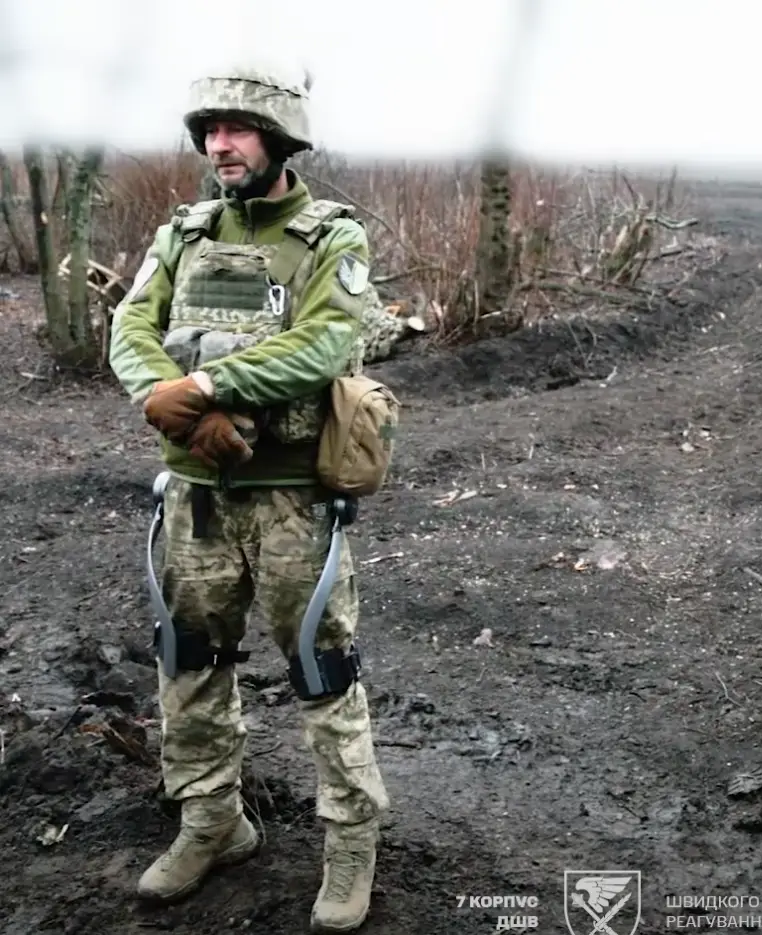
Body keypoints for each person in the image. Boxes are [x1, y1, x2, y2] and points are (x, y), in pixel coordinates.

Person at [108, 63, 390, 933]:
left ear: (279, 138)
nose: (219, 145)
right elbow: (130, 330)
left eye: (238, 129)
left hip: (291, 504)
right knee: (188, 662)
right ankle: (211, 820)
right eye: (209, 131)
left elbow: (321, 345)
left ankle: (350, 840)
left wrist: (198, 386)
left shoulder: (331, 238)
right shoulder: (184, 235)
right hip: (195, 497)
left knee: (320, 666)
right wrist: (184, 417)